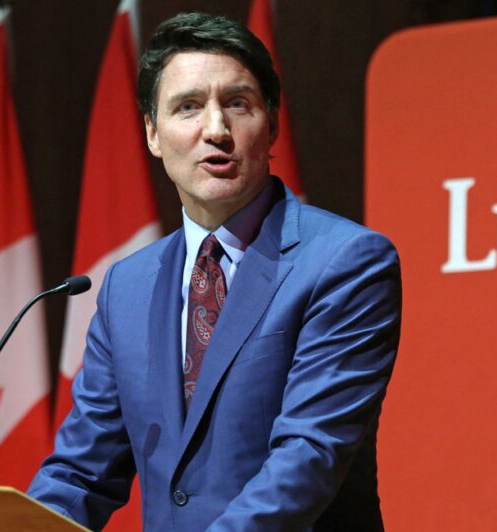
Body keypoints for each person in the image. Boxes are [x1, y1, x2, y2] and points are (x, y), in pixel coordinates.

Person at [27, 12, 402, 532]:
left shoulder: (345, 261)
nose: (216, 130)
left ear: (271, 123)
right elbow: (79, 474)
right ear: (153, 134)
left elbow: (309, 457)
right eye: (187, 108)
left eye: (237, 104)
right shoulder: (126, 288)